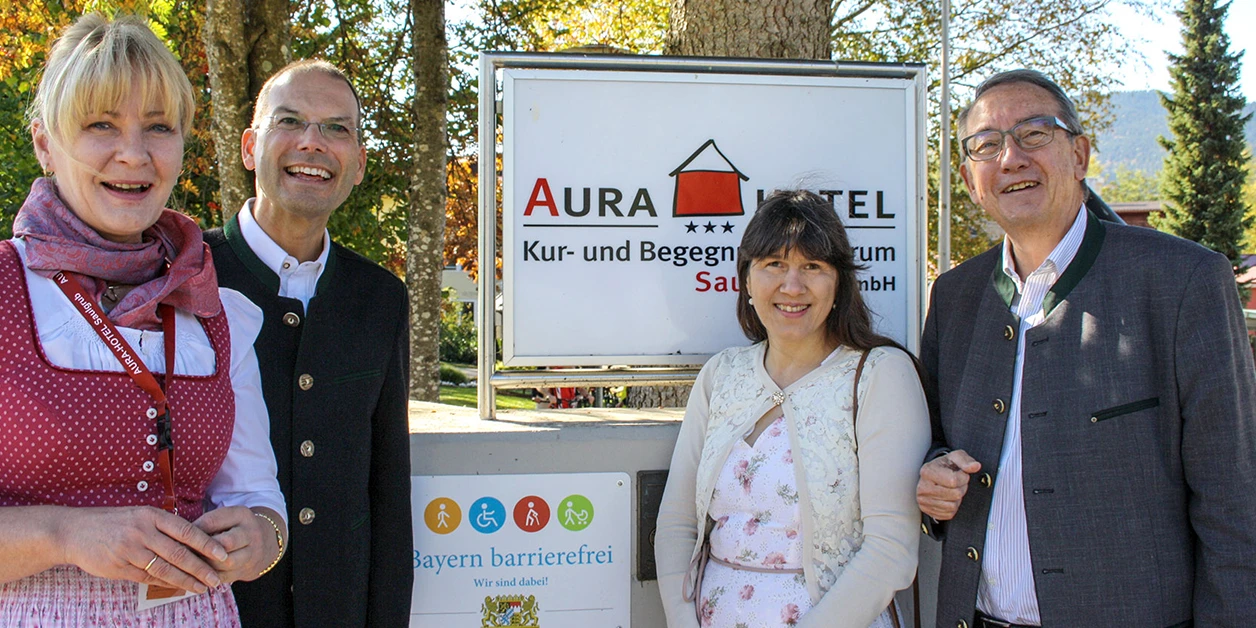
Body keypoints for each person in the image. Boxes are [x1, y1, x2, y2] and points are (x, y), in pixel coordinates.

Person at [916, 69, 1256, 628]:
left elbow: (1233, 500)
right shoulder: (954, 298)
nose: (1011, 158)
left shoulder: (1182, 280)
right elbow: (934, 445)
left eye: (1033, 134)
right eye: (986, 145)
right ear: (970, 180)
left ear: (1079, 154)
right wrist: (931, 477)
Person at [0, 14, 287, 625]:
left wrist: (258, 540)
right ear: (45, 143)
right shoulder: (5, 292)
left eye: (158, 128)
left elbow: (260, 503)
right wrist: (64, 535)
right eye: (101, 125)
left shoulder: (216, 309)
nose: (133, 154)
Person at [655, 190, 930, 628]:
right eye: (774, 265)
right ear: (746, 279)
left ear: (838, 281)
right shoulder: (722, 374)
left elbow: (891, 548)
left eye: (812, 267)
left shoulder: (880, 375)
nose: (792, 286)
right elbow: (677, 522)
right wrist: (682, 621)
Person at [204, 60, 413, 627]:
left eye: (337, 128)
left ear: (360, 164)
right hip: (214, 610)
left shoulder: (381, 299)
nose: (312, 143)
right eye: (290, 121)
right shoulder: (181, 277)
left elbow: (387, 492)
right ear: (250, 146)